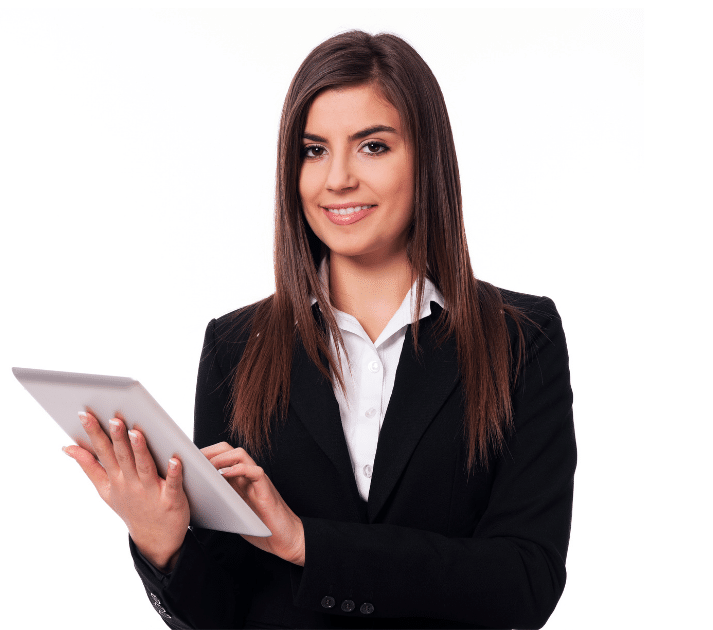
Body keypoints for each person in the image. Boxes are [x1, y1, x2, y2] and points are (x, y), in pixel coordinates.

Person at [62, 30, 575, 629]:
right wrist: (161, 541)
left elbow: (525, 581)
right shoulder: (235, 348)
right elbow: (224, 612)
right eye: (313, 150)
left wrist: (308, 543)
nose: (337, 180)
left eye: (372, 147)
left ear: (427, 157)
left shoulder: (519, 338)